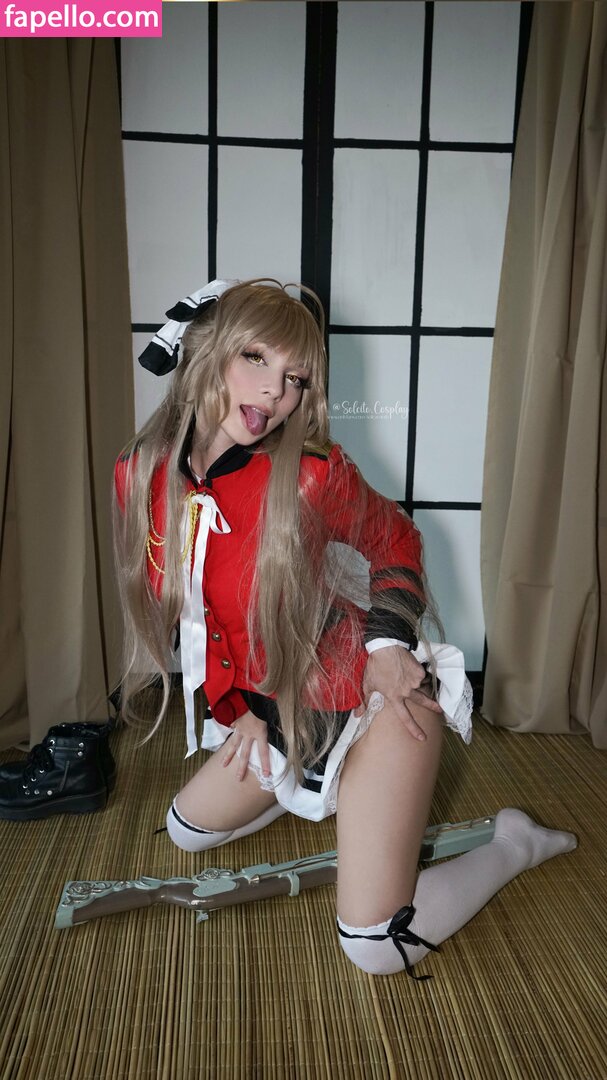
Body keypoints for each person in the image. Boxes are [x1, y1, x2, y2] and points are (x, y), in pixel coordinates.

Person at [113, 279, 576, 978]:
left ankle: (514, 844)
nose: (275, 391)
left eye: (295, 378)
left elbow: (397, 541)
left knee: (376, 946)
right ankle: (322, 788)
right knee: (185, 831)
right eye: (255, 358)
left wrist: (387, 648)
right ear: (206, 351)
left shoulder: (310, 474)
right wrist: (240, 711)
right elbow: (199, 623)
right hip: (278, 706)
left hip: (372, 696)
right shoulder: (139, 475)